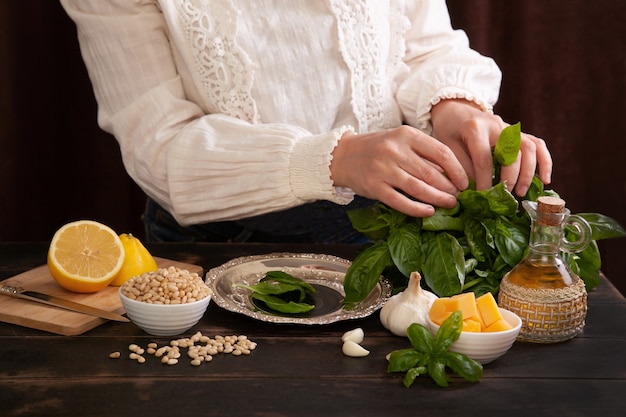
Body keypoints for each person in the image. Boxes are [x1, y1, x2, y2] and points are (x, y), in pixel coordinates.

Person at [60, 0, 552, 244]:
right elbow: (158, 145)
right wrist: (331, 159)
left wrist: (456, 107)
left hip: (398, 221)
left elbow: (424, 43)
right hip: (222, 240)